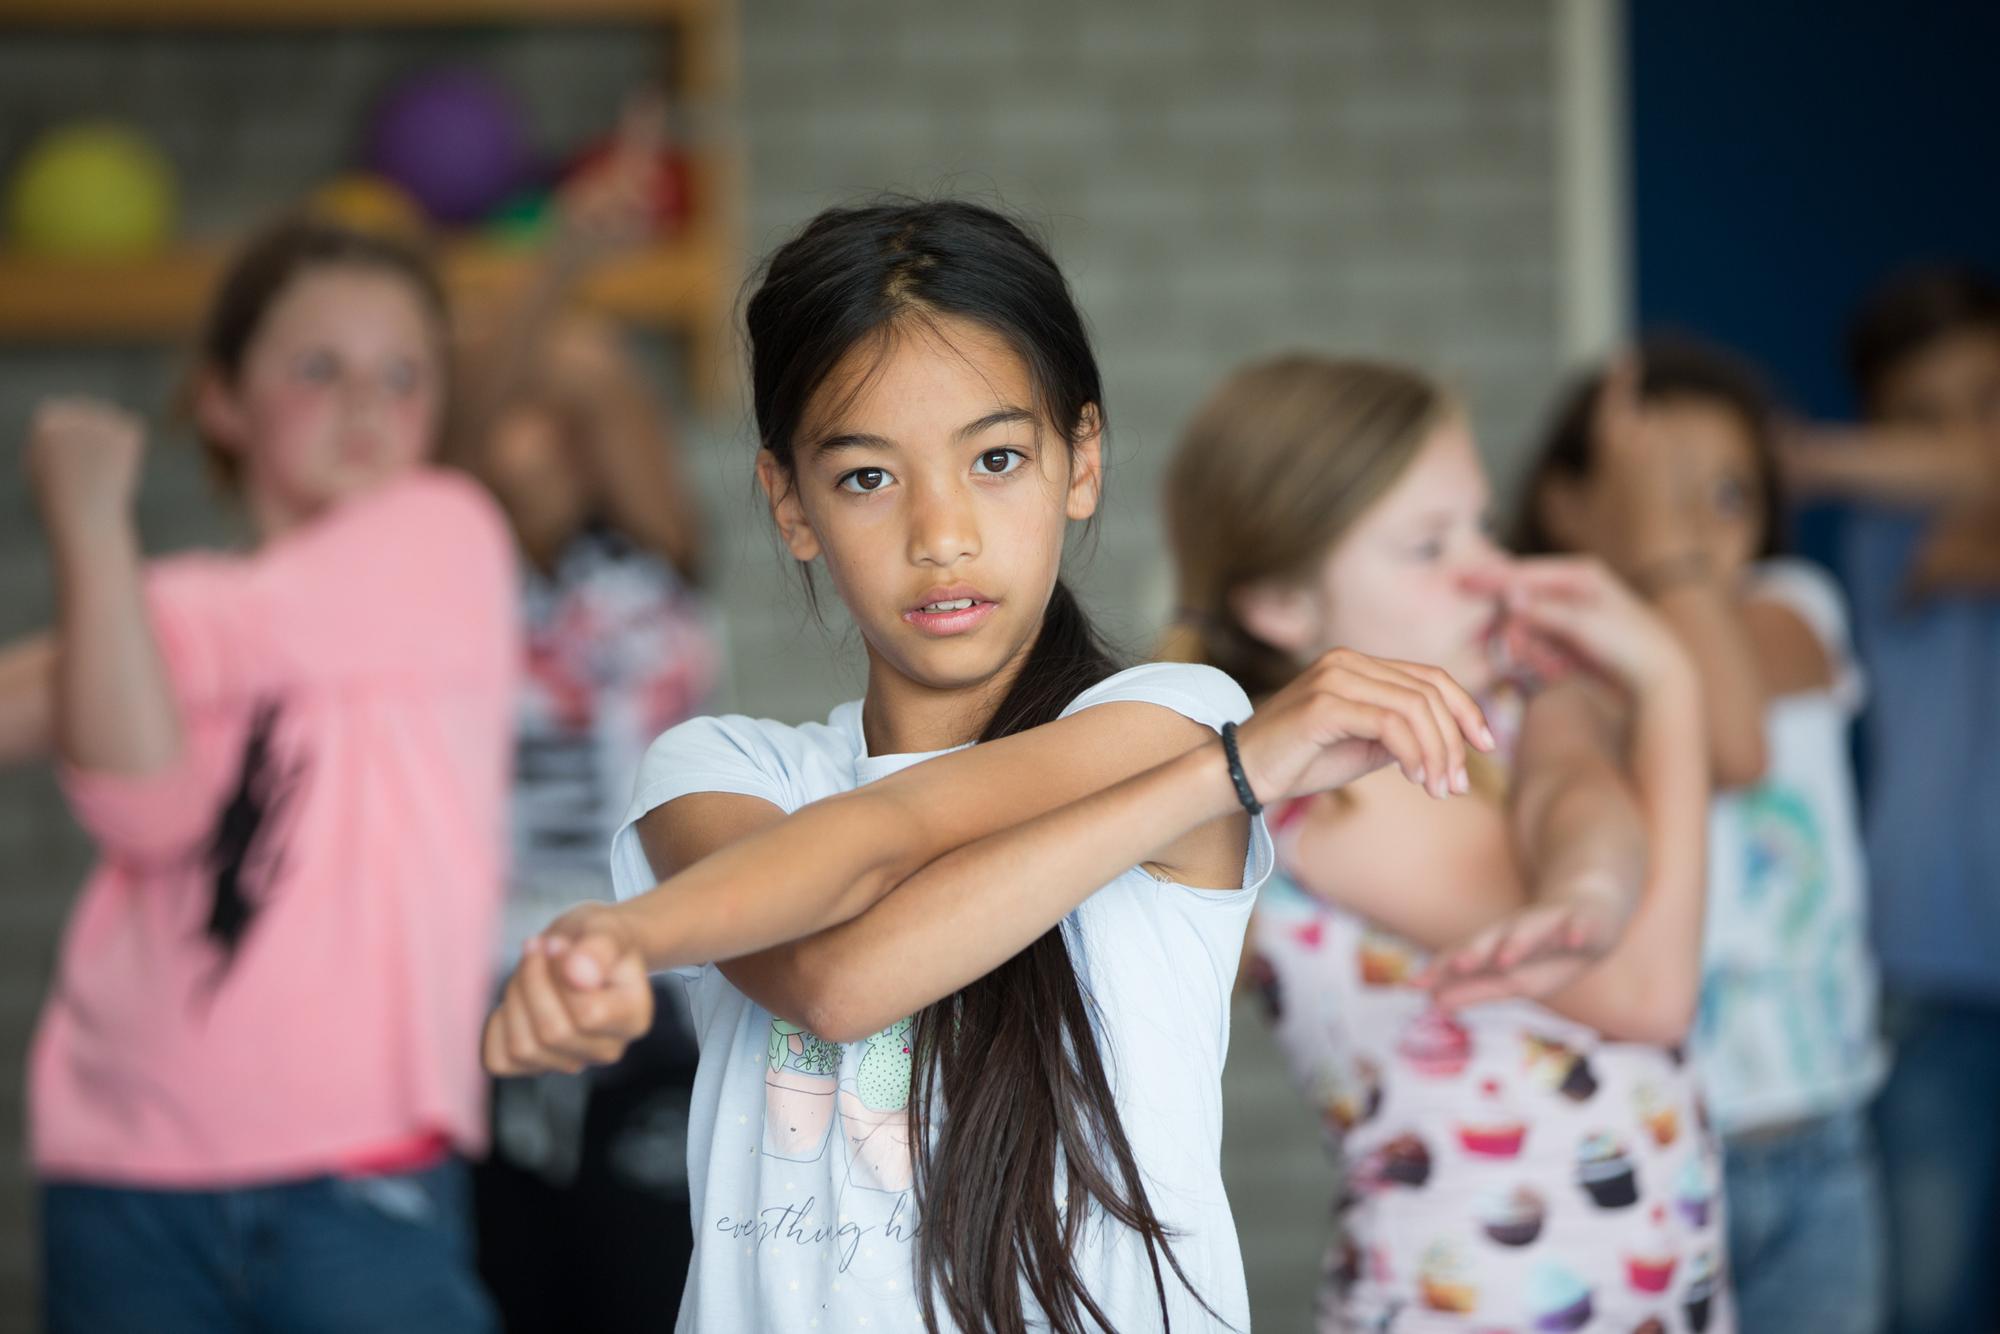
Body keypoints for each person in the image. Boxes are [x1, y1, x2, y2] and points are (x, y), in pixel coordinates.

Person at [480, 198, 1495, 1334]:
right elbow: (837, 959)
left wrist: (1221, 763)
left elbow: (894, 850)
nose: (942, 532)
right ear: (789, 503)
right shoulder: (719, 767)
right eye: (868, 476)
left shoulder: (1169, 714)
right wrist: (1232, 772)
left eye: (998, 458)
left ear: (1082, 461)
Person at [0, 216, 517, 1332]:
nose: (367, 406)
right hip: (124, 1165)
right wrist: (92, 536)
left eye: (403, 374)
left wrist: (104, 614)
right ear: (224, 399)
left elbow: (169, 646)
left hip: (356, 1177)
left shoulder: (447, 534)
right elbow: (146, 807)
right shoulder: (171, 609)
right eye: (317, 367)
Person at [1162, 354, 1727, 1332]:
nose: (1489, 570)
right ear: (1280, 606)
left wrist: (1591, 880)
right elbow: (1646, 993)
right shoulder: (1340, 794)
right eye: (1428, 544)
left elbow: (1571, 788)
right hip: (1476, 1297)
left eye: (1482, 525)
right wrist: (1667, 681)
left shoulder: (1500, 699)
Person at [1518, 337, 1886, 1332]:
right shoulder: (1539, 670)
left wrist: (1663, 550)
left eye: (1723, 494)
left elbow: (1733, 742)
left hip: (1820, 1129)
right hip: (1647, 1138)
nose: (1686, 524)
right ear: (1563, 501)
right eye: (1656, 489)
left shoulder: (1789, 610)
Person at [1785, 265, 2000, 1334]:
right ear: (1883, 438)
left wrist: (1802, 454)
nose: (1961, 437)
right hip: (1927, 965)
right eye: (1920, 419)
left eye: (1987, 395)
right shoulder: (1889, 536)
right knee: (1923, 1299)